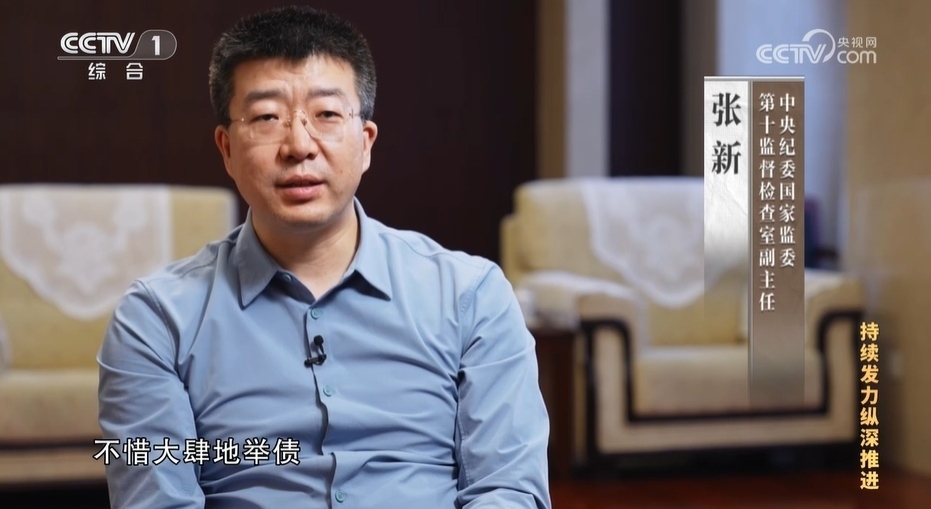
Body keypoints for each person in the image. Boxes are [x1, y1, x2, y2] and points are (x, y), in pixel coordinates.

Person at [97, 5, 551, 508]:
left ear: (366, 142)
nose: (298, 145)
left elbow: (508, 488)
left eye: (327, 115)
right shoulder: (157, 320)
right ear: (226, 148)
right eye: (267, 117)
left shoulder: (471, 296)